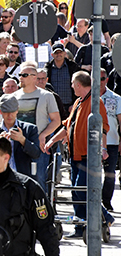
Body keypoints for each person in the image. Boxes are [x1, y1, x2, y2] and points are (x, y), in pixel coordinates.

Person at [45, 71, 115, 237]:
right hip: (75, 156)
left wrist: (103, 149)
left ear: (78, 84)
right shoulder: (78, 102)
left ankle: (105, 217)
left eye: (72, 83)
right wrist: (52, 140)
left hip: (88, 156)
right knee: (75, 192)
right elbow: (67, 126)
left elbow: (103, 127)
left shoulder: (95, 102)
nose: (70, 86)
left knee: (82, 191)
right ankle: (80, 227)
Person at [12, 62, 61, 192]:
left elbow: (56, 121)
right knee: (19, 180)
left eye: (24, 75)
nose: (20, 77)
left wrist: (43, 135)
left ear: (34, 77)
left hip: (38, 144)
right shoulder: (14, 96)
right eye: (20, 75)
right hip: (18, 144)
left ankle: (41, 210)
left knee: (39, 181)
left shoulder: (46, 95)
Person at [0, 94, 41, 179]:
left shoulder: (29, 129)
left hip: (22, 178)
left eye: (12, 112)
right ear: (0, 111)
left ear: (17, 110)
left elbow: (36, 154)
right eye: (6, 112)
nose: (10, 115)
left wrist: (23, 140)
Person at [100, 68, 121, 211]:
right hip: (92, 143)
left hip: (112, 142)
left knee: (110, 174)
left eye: (102, 78)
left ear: (106, 80)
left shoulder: (116, 98)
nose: (99, 82)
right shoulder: (87, 97)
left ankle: (106, 201)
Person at [44, 43, 81, 113]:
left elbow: (79, 85)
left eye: (60, 52)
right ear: (52, 55)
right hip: (53, 106)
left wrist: (75, 103)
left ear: (64, 53)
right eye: (56, 53)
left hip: (70, 106)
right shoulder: (48, 68)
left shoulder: (72, 66)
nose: (58, 54)